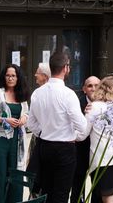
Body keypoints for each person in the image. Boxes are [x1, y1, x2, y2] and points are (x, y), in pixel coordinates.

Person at [28, 52, 87, 203]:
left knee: (46, 191)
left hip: (45, 146)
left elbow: (31, 124)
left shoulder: (37, 93)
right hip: (64, 148)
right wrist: (75, 136)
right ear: (66, 68)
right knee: (61, 194)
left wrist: (44, 132)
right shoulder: (68, 94)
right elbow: (82, 126)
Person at [77, 77, 113, 202]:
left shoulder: (95, 106)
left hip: (104, 161)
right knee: (112, 196)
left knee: (108, 198)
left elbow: (82, 135)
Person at [0, 64, 30, 203]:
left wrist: (23, 119)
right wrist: (4, 120)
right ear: (4, 77)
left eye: (13, 76)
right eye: (8, 75)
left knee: (15, 173)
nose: (10, 78)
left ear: (18, 78)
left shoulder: (22, 95)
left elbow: (26, 113)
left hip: (17, 142)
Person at [72, 76, 101, 203]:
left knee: (98, 185)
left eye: (96, 85)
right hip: (80, 150)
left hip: (99, 151)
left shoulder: (105, 104)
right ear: (84, 89)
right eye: (90, 86)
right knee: (78, 184)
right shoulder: (76, 104)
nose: (93, 88)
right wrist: (83, 115)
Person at [27, 62, 51, 198]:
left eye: (38, 72)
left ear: (45, 76)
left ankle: (36, 198)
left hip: (40, 138)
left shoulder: (38, 93)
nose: (35, 75)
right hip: (43, 137)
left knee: (37, 174)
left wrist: (41, 133)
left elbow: (31, 123)